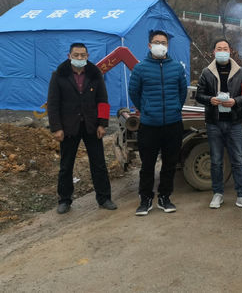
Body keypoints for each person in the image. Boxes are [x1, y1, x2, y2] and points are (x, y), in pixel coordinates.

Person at [47, 42, 116, 214]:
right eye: (76, 55)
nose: (79, 58)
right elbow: (53, 104)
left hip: (92, 126)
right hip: (69, 127)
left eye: (82, 55)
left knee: (99, 164)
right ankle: (64, 200)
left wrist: (102, 124)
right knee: (66, 165)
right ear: (69, 56)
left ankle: (104, 198)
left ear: (87, 56)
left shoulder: (95, 74)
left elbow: (103, 100)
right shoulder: (59, 75)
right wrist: (56, 128)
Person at [128, 30, 187, 216]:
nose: (160, 45)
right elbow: (134, 92)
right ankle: (145, 199)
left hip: (173, 124)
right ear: (149, 45)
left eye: (163, 42)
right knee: (147, 165)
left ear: (168, 46)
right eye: (157, 42)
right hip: (149, 125)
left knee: (170, 164)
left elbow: (182, 92)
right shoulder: (140, 68)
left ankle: (164, 197)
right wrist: (146, 109)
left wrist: (175, 108)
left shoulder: (177, 68)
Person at [196, 38, 242, 211]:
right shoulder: (206, 72)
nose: (222, 51)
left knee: (237, 159)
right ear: (214, 52)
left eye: (225, 48)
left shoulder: (241, 72)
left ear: (231, 51)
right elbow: (199, 95)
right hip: (214, 123)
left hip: (234, 122)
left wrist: (235, 101)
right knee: (216, 161)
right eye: (219, 48)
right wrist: (210, 99)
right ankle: (218, 193)